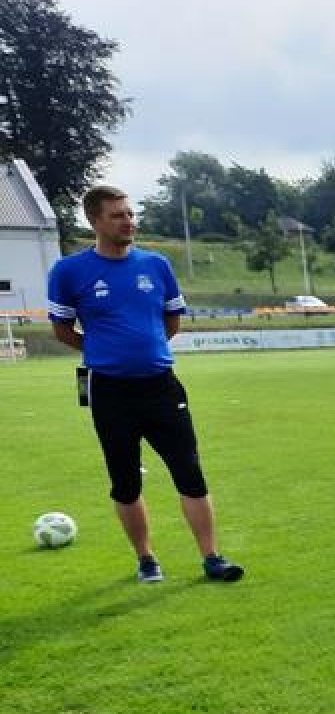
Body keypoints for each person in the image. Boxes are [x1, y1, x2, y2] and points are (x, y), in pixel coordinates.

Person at [45, 184, 244, 584]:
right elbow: (62, 330)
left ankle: (212, 558)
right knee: (126, 482)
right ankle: (146, 559)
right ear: (95, 221)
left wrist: (144, 350)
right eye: (118, 215)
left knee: (190, 473)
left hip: (161, 387)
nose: (128, 222)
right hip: (109, 391)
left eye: (130, 214)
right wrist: (101, 350)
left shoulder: (157, 266)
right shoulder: (69, 272)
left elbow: (171, 321)